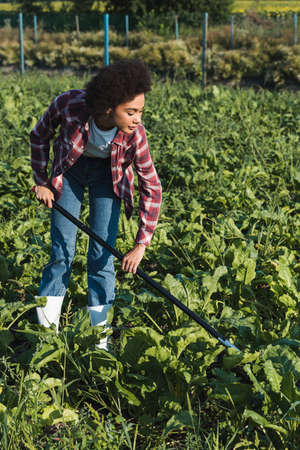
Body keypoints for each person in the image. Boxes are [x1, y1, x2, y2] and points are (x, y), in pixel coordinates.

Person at [30, 59, 162, 349]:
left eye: (140, 111)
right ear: (107, 107)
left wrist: (142, 243)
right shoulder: (69, 106)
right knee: (61, 250)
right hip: (71, 173)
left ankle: (100, 340)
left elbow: (151, 184)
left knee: (102, 254)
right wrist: (41, 181)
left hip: (109, 178)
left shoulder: (135, 135)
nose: (138, 118)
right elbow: (40, 134)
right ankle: (47, 335)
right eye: (131, 112)